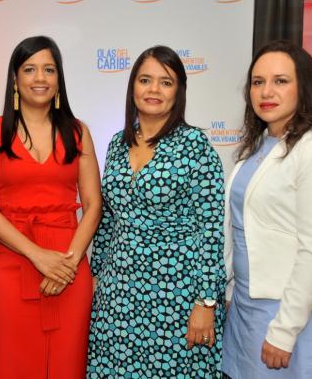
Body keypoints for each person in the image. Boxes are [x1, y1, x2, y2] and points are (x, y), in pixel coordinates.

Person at [87, 46, 226, 378]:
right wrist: (95, 278)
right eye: (145, 80)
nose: (153, 90)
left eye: (165, 82)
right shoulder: (116, 145)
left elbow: (210, 230)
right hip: (117, 296)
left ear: (178, 91)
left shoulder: (195, 146)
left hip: (177, 296)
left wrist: (206, 303)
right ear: (132, 86)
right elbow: (108, 220)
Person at [0, 36, 102, 378]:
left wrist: (69, 264)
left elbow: (93, 204)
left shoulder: (79, 132)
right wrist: (36, 255)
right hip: (12, 264)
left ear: (59, 79)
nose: (40, 78)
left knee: (66, 366)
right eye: (29, 69)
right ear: (15, 79)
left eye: (49, 69)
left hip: (69, 266)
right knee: (14, 364)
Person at [221, 40, 312, 378]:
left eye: (280, 80)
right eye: (258, 82)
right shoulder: (255, 148)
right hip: (245, 307)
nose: (266, 91)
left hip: (289, 313)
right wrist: (231, 291)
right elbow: (239, 229)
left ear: (302, 88)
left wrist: (285, 330)